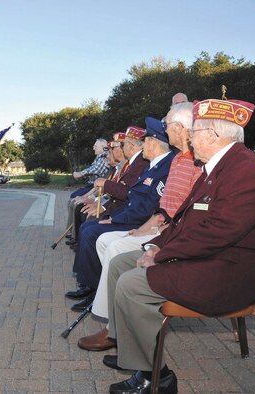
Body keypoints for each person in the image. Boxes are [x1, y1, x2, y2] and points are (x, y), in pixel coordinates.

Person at [100, 98, 255, 394]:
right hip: (212, 259)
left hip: (230, 273)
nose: (189, 138)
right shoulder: (218, 167)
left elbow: (220, 231)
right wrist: (154, 247)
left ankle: (155, 376)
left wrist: (163, 256)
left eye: (194, 132)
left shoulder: (245, 169)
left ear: (211, 135)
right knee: (121, 264)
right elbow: (184, 222)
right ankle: (131, 351)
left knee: (132, 284)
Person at [77, 101, 202, 350]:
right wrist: (147, 230)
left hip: (171, 236)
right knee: (105, 241)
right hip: (157, 227)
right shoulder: (178, 162)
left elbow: (170, 214)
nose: (142, 145)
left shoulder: (188, 163)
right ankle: (113, 320)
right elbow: (162, 210)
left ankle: (113, 326)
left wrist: (152, 235)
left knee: (113, 247)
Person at [68, 117, 175, 311]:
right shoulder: (151, 166)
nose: (143, 147)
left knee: (92, 231)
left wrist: (114, 219)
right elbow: (135, 198)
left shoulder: (160, 166)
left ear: (151, 142)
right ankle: (91, 287)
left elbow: (147, 207)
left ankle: (93, 290)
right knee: (90, 227)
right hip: (131, 216)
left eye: (124, 144)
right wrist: (112, 216)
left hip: (140, 221)